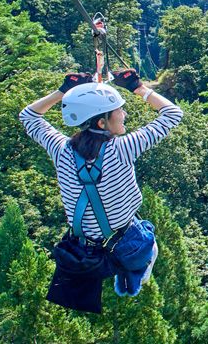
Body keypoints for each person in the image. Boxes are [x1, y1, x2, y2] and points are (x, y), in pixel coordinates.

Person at [19, 68, 183, 312]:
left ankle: (127, 271)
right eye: (119, 110)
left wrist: (63, 92)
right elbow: (172, 114)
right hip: (128, 244)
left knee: (130, 234)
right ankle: (134, 274)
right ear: (101, 122)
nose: (124, 114)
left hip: (82, 247)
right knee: (147, 234)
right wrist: (139, 88)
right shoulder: (122, 148)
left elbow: (29, 116)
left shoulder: (61, 149)